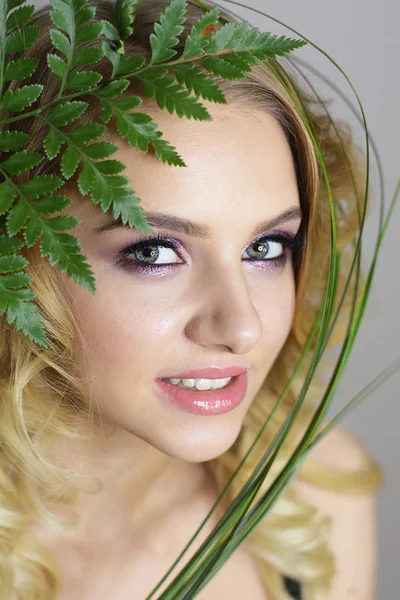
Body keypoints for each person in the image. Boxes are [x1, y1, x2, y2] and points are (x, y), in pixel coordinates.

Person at [0, 1, 383, 599]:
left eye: (267, 247)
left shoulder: (312, 499)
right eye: (153, 253)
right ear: (17, 261)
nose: (242, 327)